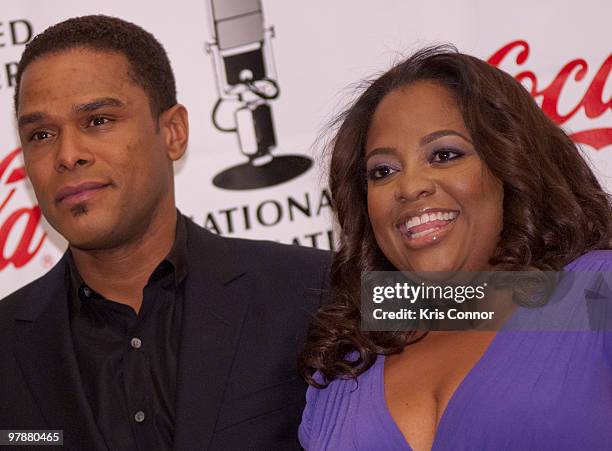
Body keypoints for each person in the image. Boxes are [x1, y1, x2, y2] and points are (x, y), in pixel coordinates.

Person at [0, 15, 329, 451]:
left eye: (98, 120)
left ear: (173, 132)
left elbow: (448, 305)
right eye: (41, 134)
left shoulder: (315, 288)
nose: (67, 154)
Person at [298, 46, 612, 450]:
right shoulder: (344, 365)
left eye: (444, 155)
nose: (410, 186)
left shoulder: (596, 292)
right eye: (383, 171)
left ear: (511, 165)